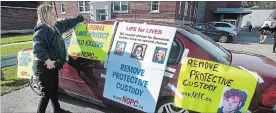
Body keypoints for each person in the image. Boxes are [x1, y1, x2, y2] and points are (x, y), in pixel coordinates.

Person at [32, 4, 84, 113]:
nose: (55, 16)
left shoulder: (54, 27)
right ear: (45, 16)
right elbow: (37, 47)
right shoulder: (42, 30)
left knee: (54, 89)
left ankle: (57, 109)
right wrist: (47, 60)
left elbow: (66, 23)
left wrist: (79, 19)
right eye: (52, 14)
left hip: (53, 64)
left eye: (54, 13)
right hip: (44, 66)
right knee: (46, 93)